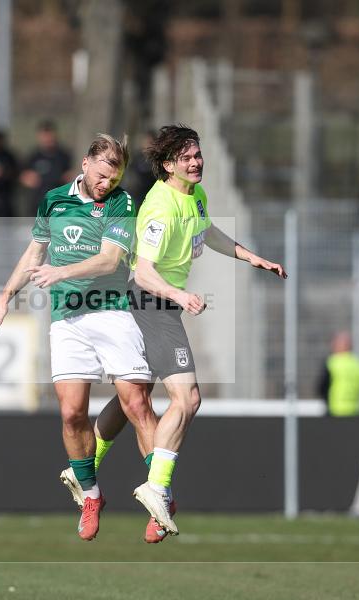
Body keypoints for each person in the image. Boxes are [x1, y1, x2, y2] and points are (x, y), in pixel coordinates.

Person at [94, 125, 286, 541]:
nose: (197, 162)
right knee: (188, 398)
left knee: (134, 394)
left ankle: (85, 466)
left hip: (159, 304)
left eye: (198, 154)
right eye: (187, 157)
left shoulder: (194, 196)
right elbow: (144, 272)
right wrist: (180, 295)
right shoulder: (160, 208)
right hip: (150, 303)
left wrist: (251, 257)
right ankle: (157, 487)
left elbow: (207, 230)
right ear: (168, 165)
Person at [0, 134, 158, 541]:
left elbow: (110, 260)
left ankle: (160, 493)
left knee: (136, 403)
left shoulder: (121, 202)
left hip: (112, 312)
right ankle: (92, 496)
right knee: (71, 414)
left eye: (114, 177)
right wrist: (6, 296)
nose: (106, 183)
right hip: (67, 320)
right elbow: (35, 253)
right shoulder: (53, 200)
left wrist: (60, 271)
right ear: (85, 164)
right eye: (102, 174)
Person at [19, 120, 72, 217]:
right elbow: (24, 177)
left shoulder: (63, 156)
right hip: (37, 205)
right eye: (44, 136)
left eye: (49, 135)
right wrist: (28, 179)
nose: (47, 139)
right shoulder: (33, 156)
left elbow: (69, 177)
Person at [317, 331, 359, 417]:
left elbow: (322, 387)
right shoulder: (358, 364)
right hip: (355, 410)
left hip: (335, 410)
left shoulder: (332, 362)